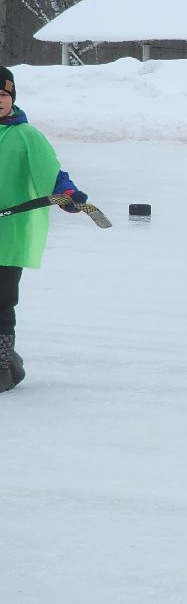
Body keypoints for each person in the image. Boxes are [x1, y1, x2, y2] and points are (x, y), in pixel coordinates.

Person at [0, 65, 90, 393]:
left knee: (1, 301)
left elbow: (51, 172)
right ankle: (11, 362)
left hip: (8, 235)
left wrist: (66, 194)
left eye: (4, 94)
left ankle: (2, 364)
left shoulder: (27, 136)